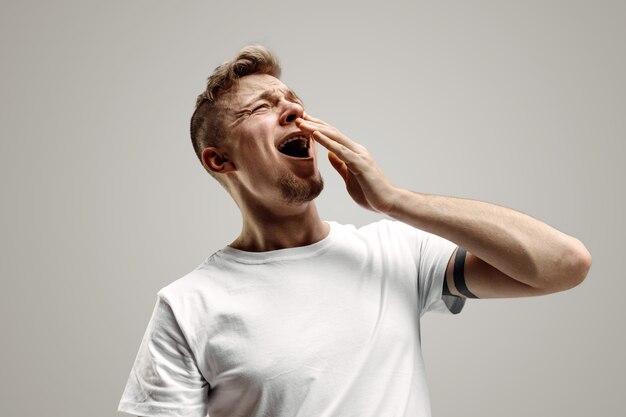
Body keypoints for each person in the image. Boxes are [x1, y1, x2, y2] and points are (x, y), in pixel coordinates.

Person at [118, 45, 591, 417]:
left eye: (293, 101)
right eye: (261, 107)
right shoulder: (188, 305)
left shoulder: (396, 253)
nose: (292, 111)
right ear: (220, 160)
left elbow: (564, 265)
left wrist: (395, 201)